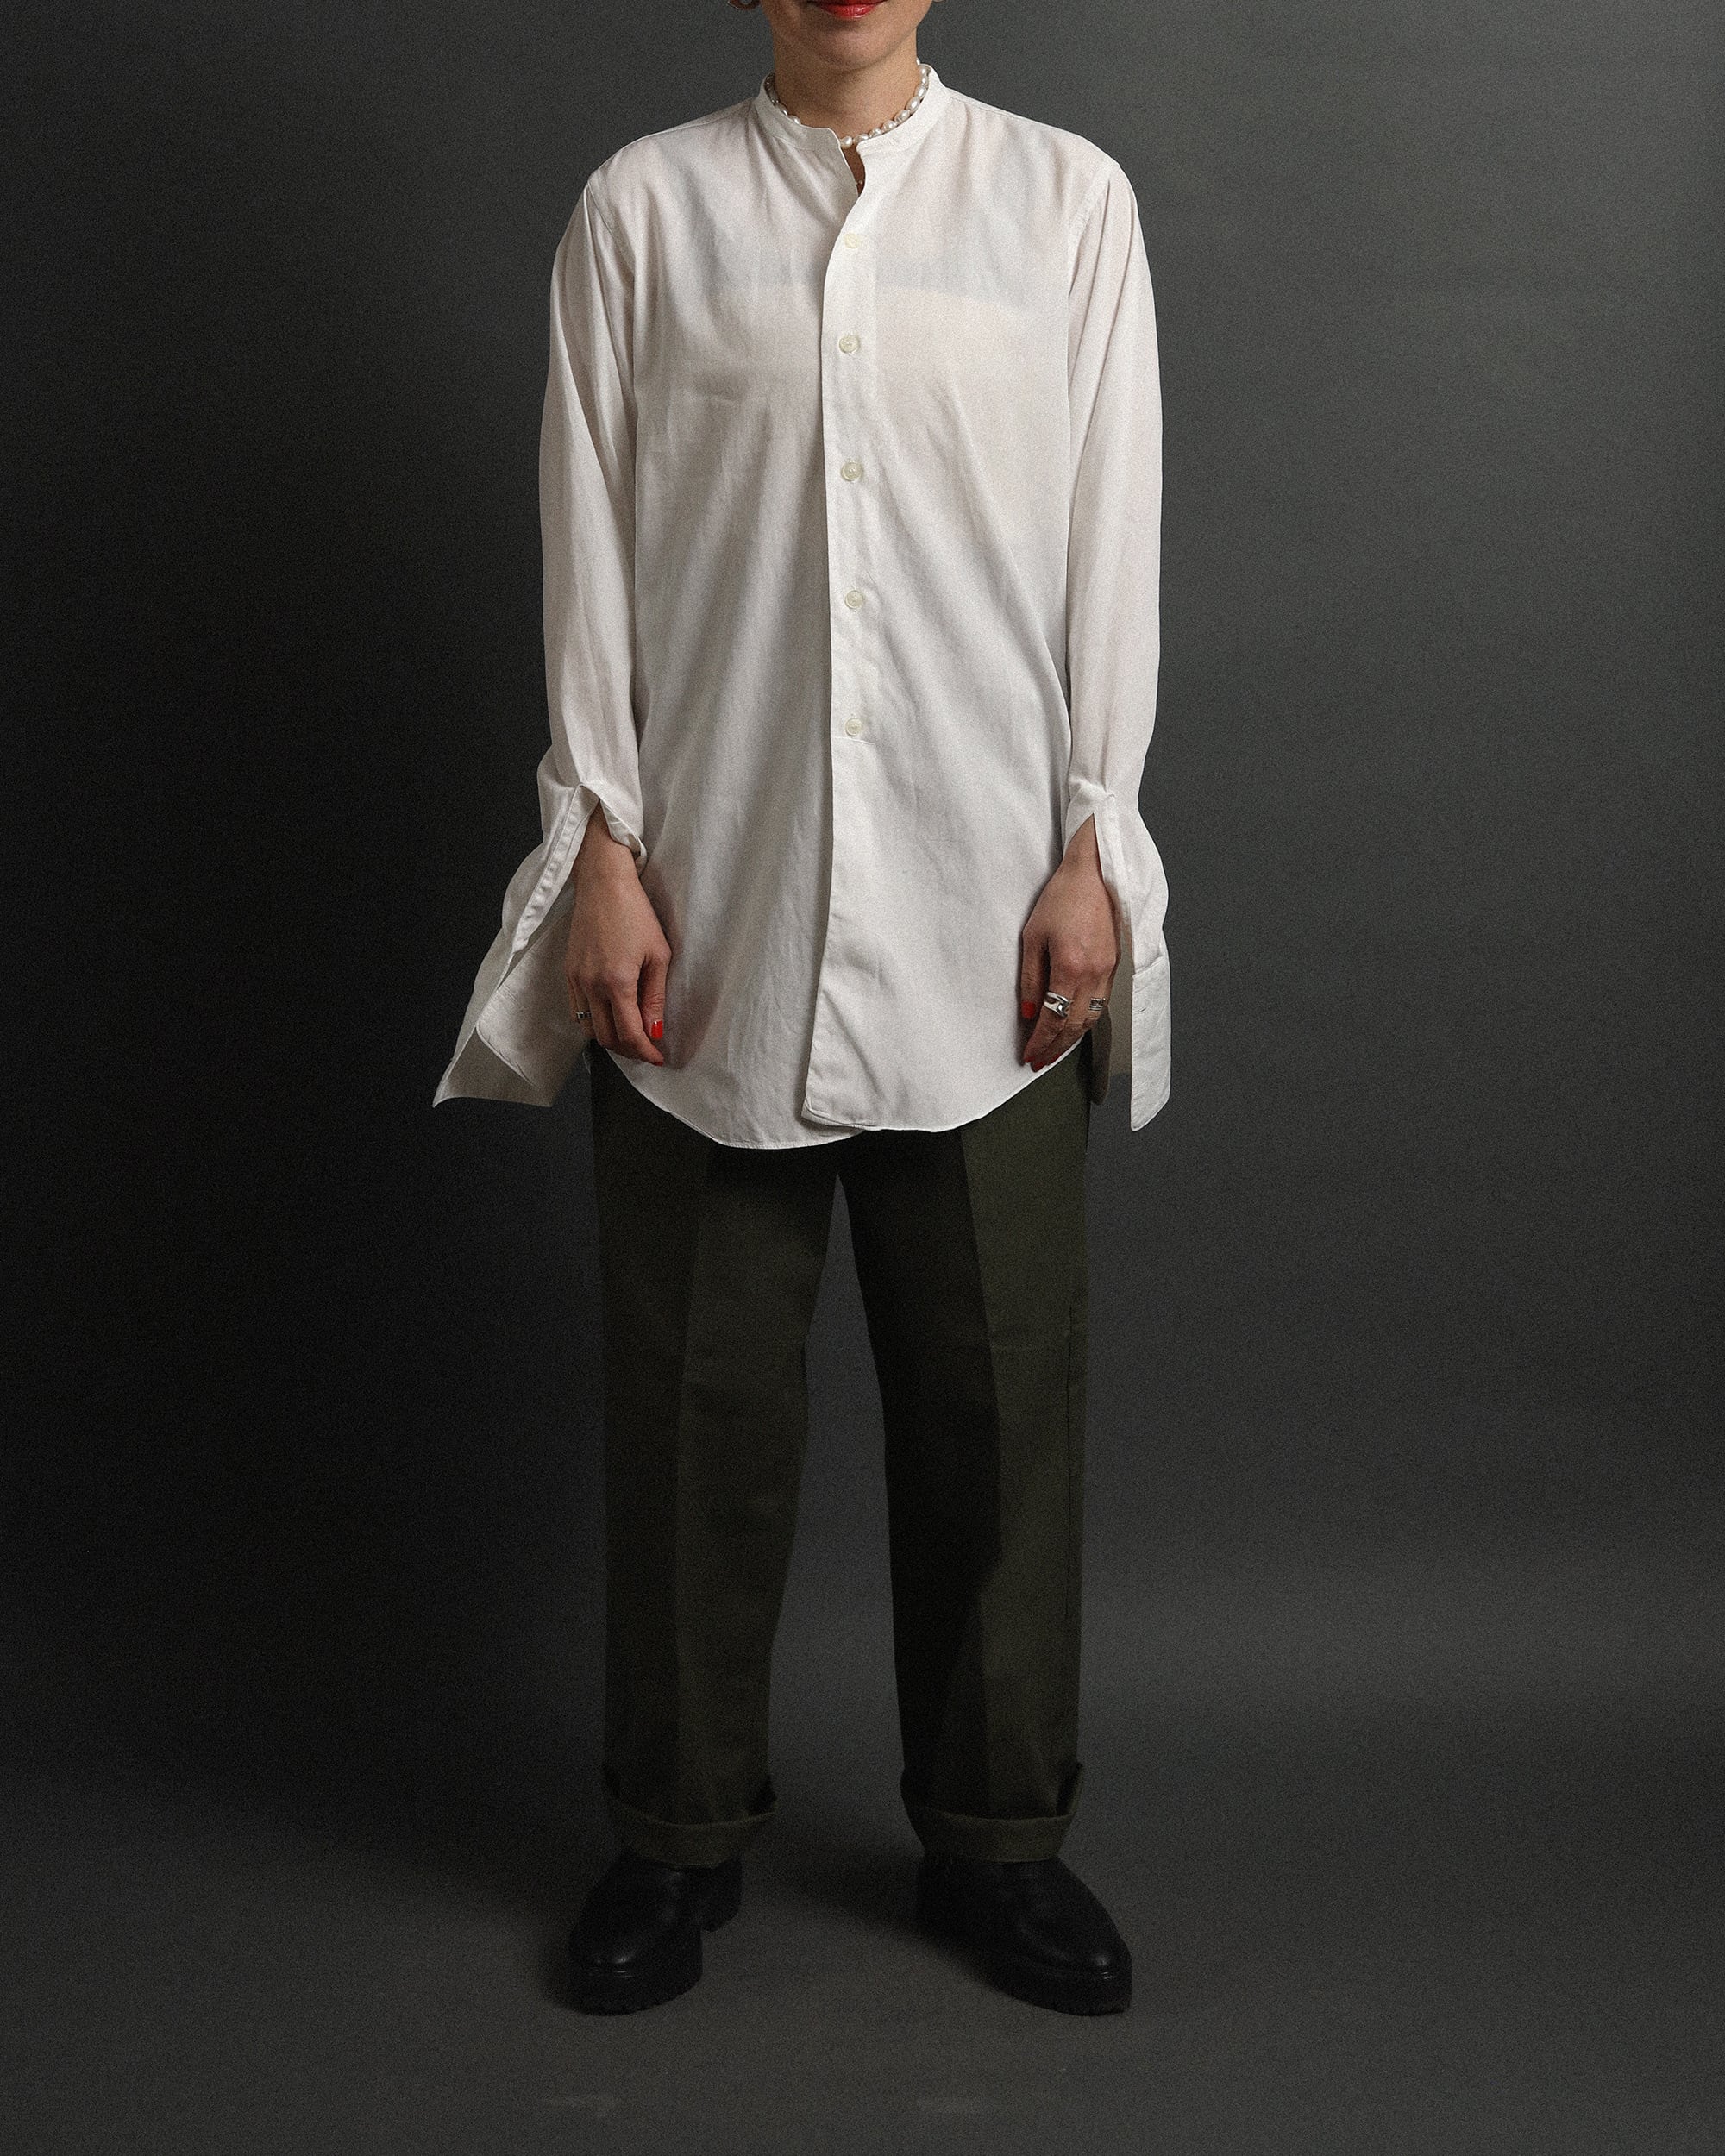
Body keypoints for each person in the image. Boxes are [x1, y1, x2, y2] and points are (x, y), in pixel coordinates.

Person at [434, 0, 1170, 2017]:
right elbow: (590, 538)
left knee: (999, 1405)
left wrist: (1092, 837)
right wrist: (599, 843)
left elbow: (1107, 539)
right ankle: (672, 1831)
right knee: (695, 1409)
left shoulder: (1063, 206)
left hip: (987, 919)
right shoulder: (641, 213)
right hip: (712, 916)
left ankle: (1000, 1836)